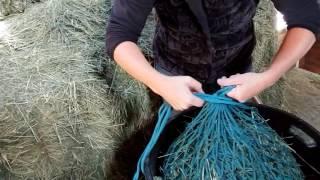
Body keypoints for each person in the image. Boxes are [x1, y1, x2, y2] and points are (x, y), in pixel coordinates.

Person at [106, 0, 319, 111]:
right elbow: (120, 34)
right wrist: (159, 83)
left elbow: (308, 18)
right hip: (174, 72)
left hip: (237, 71)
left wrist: (269, 76)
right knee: (181, 140)